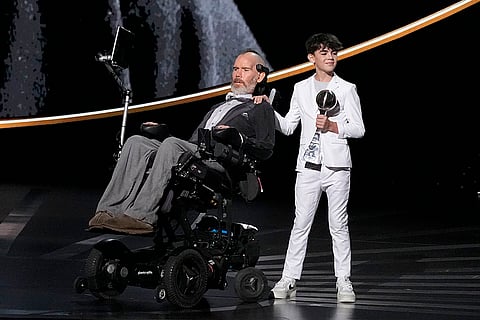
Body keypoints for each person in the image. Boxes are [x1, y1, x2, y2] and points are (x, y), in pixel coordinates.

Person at [88, 50, 275, 235]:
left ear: (259, 76)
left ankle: (142, 217)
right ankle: (108, 211)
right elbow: (189, 143)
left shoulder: (260, 107)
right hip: (196, 151)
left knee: (171, 145)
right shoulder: (218, 107)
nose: (237, 74)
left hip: (219, 162)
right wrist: (164, 133)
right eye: (235, 69)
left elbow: (266, 149)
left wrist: (238, 138)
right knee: (136, 142)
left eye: (245, 69)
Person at [268, 33, 365, 303]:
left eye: (333, 52)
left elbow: (359, 129)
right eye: (324, 52)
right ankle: (288, 279)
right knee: (300, 225)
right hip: (308, 167)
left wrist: (334, 126)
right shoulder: (300, 89)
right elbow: (288, 127)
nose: (330, 56)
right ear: (312, 58)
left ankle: (343, 280)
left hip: (336, 167)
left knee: (339, 225)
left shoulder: (347, 89)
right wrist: (268, 111)